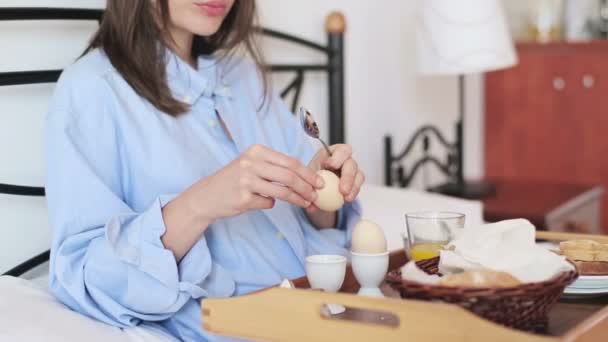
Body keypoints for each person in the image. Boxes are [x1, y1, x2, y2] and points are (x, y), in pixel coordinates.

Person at [45, 1, 365, 340]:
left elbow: (316, 221)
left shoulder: (245, 77)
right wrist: (202, 203)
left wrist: (320, 188)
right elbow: (86, 277)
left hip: (329, 311)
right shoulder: (93, 90)